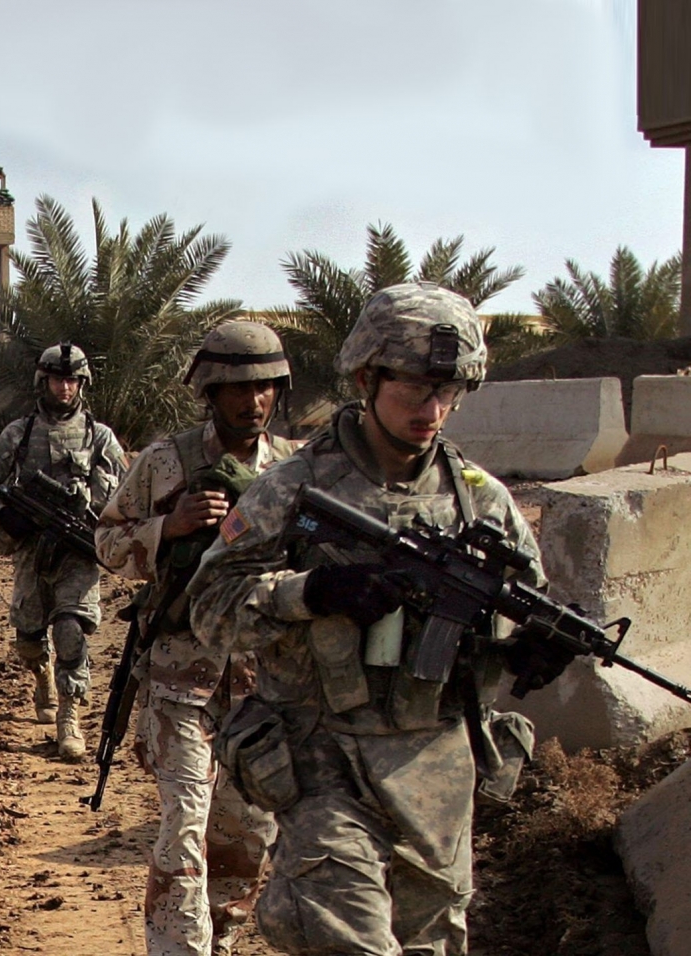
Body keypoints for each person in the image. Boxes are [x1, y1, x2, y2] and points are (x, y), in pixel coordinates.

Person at [186, 283, 574, 956]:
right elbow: (211, 606)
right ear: (367, 378)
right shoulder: (296, 487)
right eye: (414, 390)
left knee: (431, 942)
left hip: (436, 771)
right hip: (322, 757)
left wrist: (530, 649)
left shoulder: (481, 503)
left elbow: (524, 604)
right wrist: (312, 592)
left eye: (447, 393)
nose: (432, 410)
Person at [96, 320, 297, 956]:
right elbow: (106, 541)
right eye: (238, 387)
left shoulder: (296, 469)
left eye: (265, 387)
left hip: (266, 684)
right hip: (183, 680)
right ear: (209, 392)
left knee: (247, 836)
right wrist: (166, 527)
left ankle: (221, 941)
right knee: (184, 828)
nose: (253, 400)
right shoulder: (165, 462)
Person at [0, 343, 127, 761]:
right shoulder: (19, 434)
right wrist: (4, 513)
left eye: (73, 380)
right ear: (43, 382)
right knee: (28, 637)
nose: (66, 388)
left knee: (71, 630)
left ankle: (69, 719)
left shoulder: (100, 437)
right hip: (31, 549)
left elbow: (129, 492)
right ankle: (40, 673)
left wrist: (99, 504)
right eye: (59, 379)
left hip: (77, 550)